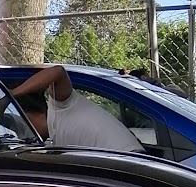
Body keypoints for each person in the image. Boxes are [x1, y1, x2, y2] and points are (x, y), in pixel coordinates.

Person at [8, 64, 146, 154]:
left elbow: (57, 71)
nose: (24, 135)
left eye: (23, 126)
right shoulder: (53, 136)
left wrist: (11, 95)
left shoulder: (61, 105)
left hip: (130, 161)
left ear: (31, 113)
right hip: (126, 162)